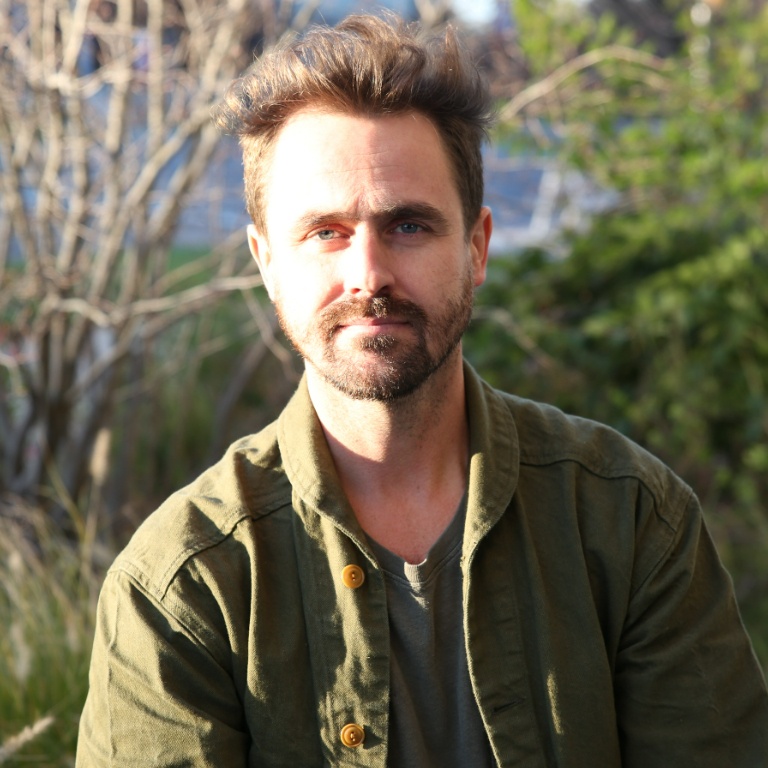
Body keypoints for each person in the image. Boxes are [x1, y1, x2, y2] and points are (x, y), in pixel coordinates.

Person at [76, 14, 768, 767]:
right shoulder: (184, 586)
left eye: (407, 225)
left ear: (476, 248)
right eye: (326, 233)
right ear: (266, 261)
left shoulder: (630, 521)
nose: (368, 274)